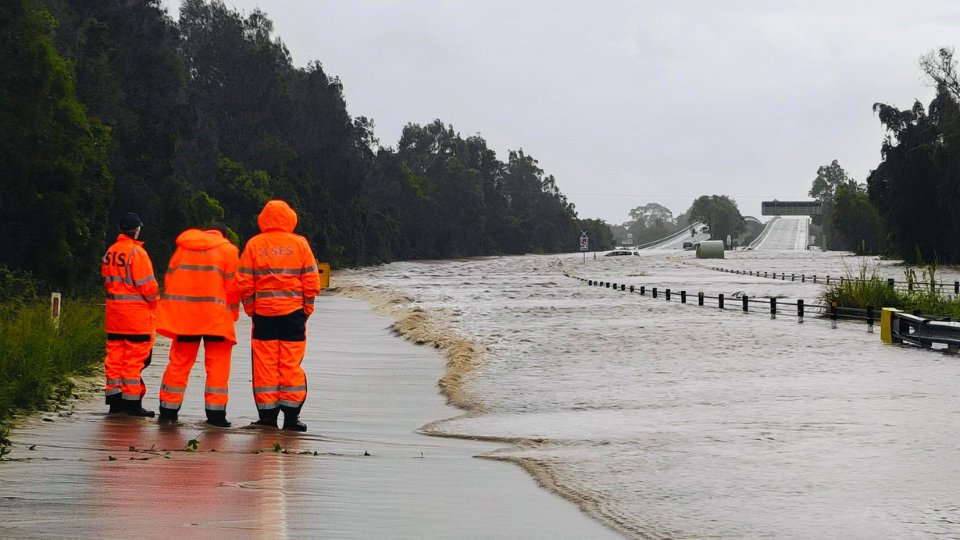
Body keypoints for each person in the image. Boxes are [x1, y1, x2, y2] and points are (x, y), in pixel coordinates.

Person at [236, 200, 321, 432]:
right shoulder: (300, 244)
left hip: (264, 315)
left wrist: (252, 309)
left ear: (263, 218)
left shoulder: (255, 244)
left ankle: (267, 419)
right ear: (290, 218)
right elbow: (312, 281)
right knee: (290, 364)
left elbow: (243, 281)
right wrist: (306, 310)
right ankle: (292, 419)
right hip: (294, 315)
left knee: (265, 366)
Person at [155, 224, 240, 427]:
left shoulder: (183, 248)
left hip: (186, 318)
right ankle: (216, 416)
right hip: (216, 317)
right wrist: (234, 314)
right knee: (217, 366)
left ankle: (168, 411)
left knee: (179, 363)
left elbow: (169, 278)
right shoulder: (228, 250)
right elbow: (234, 287)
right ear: (224, 235)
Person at [102, 212, 159, 417]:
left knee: (114, 359)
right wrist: (156, 302)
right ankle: (133, 404)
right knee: (134, 361)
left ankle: (115, 403)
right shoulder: (137, 253)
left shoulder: (110, 252)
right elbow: (148, 287)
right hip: (136, 318)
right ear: (136, 230)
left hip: (114, 316)